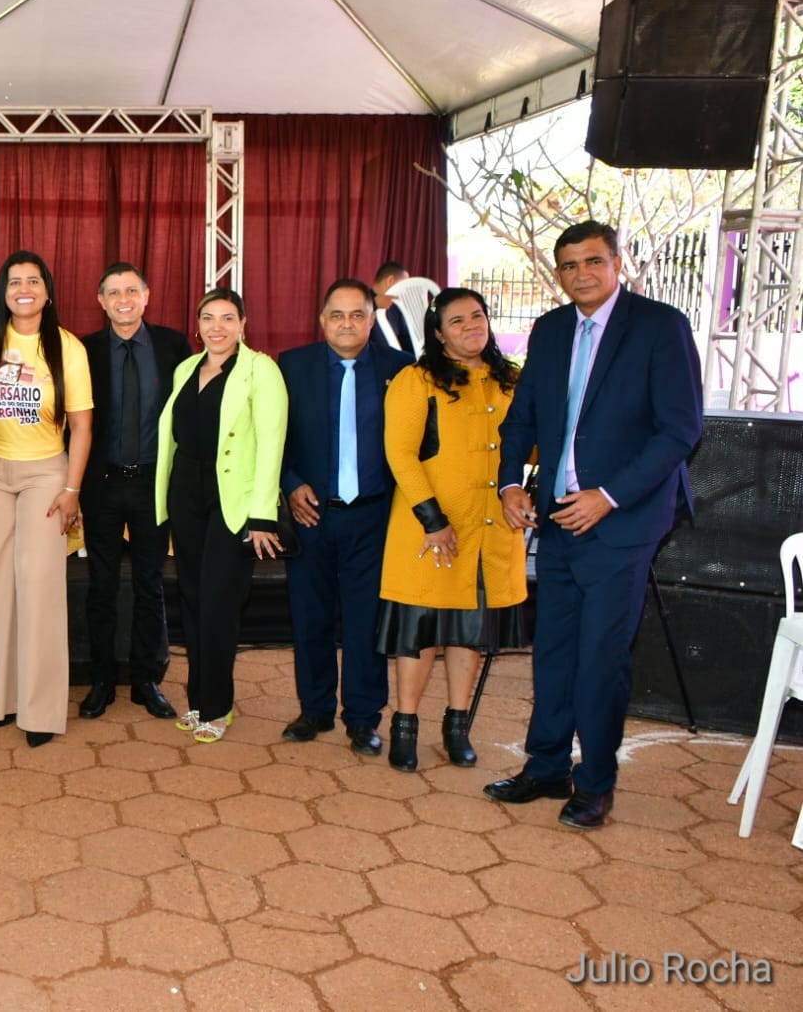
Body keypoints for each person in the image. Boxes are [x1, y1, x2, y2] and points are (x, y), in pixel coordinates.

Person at [489, 221, 702, 829]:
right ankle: (546, 767)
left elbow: (680, 431)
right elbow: (522, 417)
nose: (580, 274)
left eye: (592, 261)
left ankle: (595, 784)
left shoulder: (660, 326)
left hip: (622, 523)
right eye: (568, 265)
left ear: (616, 263)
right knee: (553, 651)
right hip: (557, 520)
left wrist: (608, 497)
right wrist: (509, 484)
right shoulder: (551, 329)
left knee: (601, 659)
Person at [377, 287, 527, 773]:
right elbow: (401, 454)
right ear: (439, 334)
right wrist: (434, 520)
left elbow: (532, 445)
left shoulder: (511, 381)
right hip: (430, 531)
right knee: (419, 632)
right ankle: (405, 725)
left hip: (491, 529)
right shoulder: (416, 380)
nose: (471, 327)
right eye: (457, 321)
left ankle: (457, 727)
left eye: (477, 316)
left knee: (469, 632)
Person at [0, 250, 92, 748]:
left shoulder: (67, 347)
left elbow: (82, 427)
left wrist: (71, 490)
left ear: (47, 292)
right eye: (15, 281)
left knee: (38, 587)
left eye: (33, 281)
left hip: (46, 475)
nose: (24, 289)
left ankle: (40, 710)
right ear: (3, 292)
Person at [279, 279, 412, 755]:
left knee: (365, 622)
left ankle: (363, 717)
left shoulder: (401, 369)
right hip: (311, 514)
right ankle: (315, 710)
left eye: (358, 315)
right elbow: (272, 435)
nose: (347, 324)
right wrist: (291, 483)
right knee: (310, 617)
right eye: (337, 315)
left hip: (374, 517)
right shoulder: (292, 366)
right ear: (322, 321)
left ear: (372, 320)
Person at [156, 288, 287, 743]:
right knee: (193, 598)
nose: (217, 327)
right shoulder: (186, 369)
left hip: (233, 500)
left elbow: (271, 443)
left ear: (243, 324)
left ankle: (217, 706)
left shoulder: (261, 370)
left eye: (228, 318)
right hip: (185, 493)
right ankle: (198, 701)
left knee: (218, 602)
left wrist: (263, 516)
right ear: (197, 326)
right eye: (208, 318)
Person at [78, 261, 189, 721]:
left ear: (147, 296)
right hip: (101, 484)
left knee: (150, 583)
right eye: (113, 292)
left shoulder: (172, 346)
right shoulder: (84, 350)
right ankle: (102, 678)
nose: (123, 300)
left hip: (152, 484)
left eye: (131, 291)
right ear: (101, 301)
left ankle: (147, 678)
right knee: (101, 585)